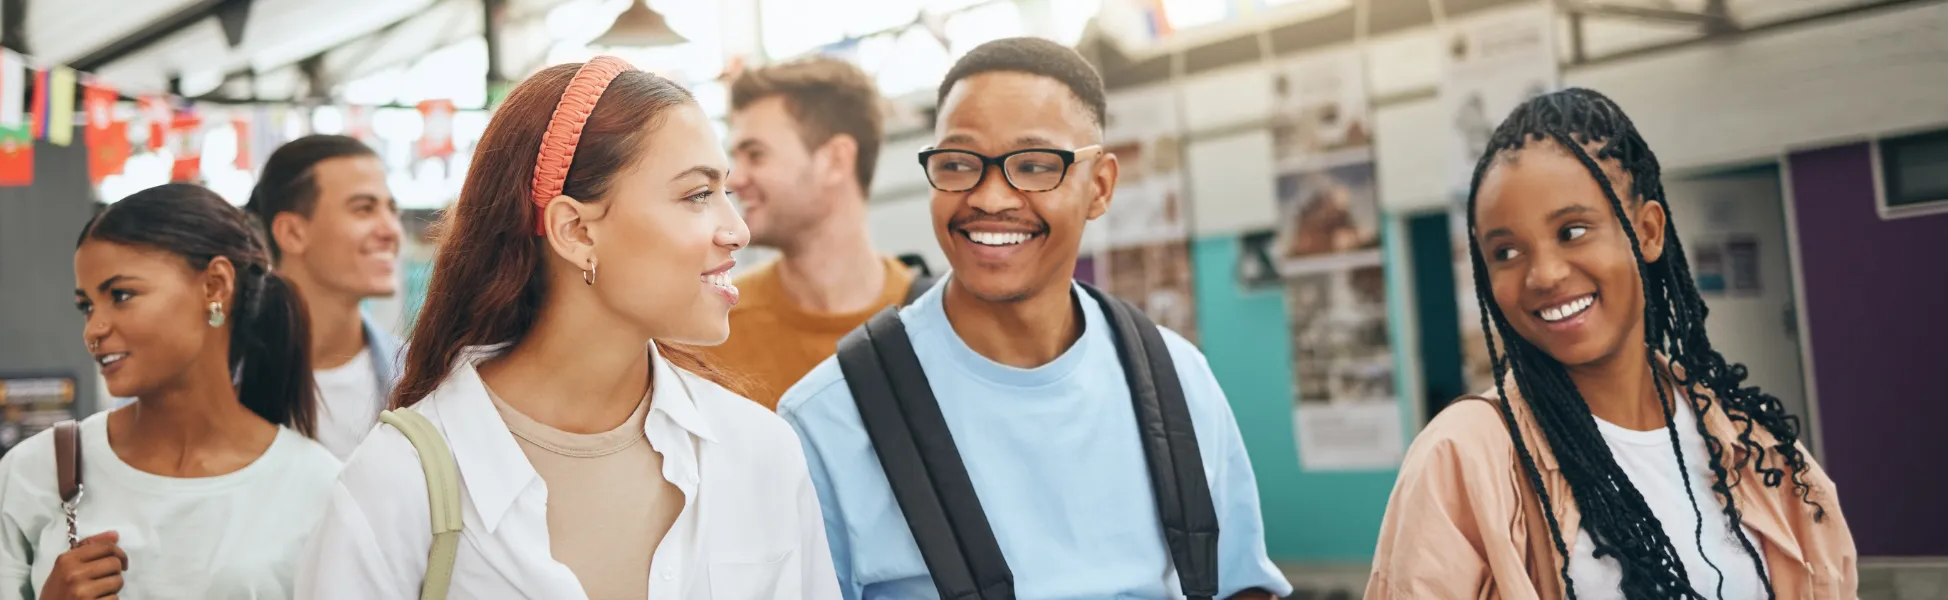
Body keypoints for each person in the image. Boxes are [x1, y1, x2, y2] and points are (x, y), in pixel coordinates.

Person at [292, 56, 839, 599]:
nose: (737, 231)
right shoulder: (396, 487)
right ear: (575, 231)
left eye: (726, 194)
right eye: (697, 195)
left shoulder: (759, 453)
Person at [777, 37, 1291, 600]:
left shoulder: (1177, 379)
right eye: (957, 163)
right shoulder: (830, 420)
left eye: (1034, 165)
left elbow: (1241, 584)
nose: (991, 197)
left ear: (1100, 186)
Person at [1366, 88, 1856, 599]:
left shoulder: (1756, 447)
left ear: (1646, 231)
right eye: (1506, 251)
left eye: (1572, 230)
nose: (1544, 274)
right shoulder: (1464, 458)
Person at [0, 183, 339, 599]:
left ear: (214, 286)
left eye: (121, 295)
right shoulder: (37, 472)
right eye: (86, 305)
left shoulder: (316, 486)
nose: (94, 329)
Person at [704, 57, 923, 409]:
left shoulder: (941, 322)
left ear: (835, 160)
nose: (734, 180)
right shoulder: (711, 332)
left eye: (756, 155)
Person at [244, 134, 405, 459]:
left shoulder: (421, 378)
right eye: (364, 209)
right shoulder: (213, 383)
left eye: (392, 209)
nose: (390, 230)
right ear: (291, 233)